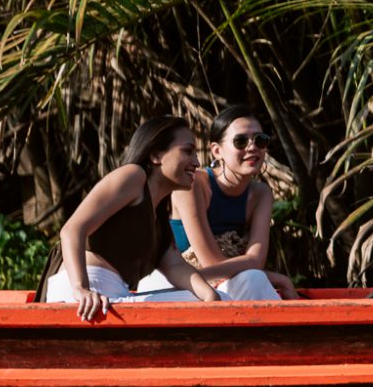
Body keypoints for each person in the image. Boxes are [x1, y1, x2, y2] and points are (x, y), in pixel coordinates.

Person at [45, 116, 269, 321]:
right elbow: (72, 229)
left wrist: (210, 297)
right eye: (187, 151)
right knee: (225, 302)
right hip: (86, 296)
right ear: (155, 155)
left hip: (116, 298)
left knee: (222, 301)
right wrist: (81, 288)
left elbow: (175, 266)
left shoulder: (158, 215)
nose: (197, 162)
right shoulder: (133, 176)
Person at [139, 104, 299, 300]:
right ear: (216, 151)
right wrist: (278, 279)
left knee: (253, 278)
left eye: (260, 140)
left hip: (224, 281)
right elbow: (211, 262)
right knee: (254, 278)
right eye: (240, 141)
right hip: (174, 281)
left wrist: (265, 274)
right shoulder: (192, 184)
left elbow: (256, 260)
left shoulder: (260, 194)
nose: (252, 147)